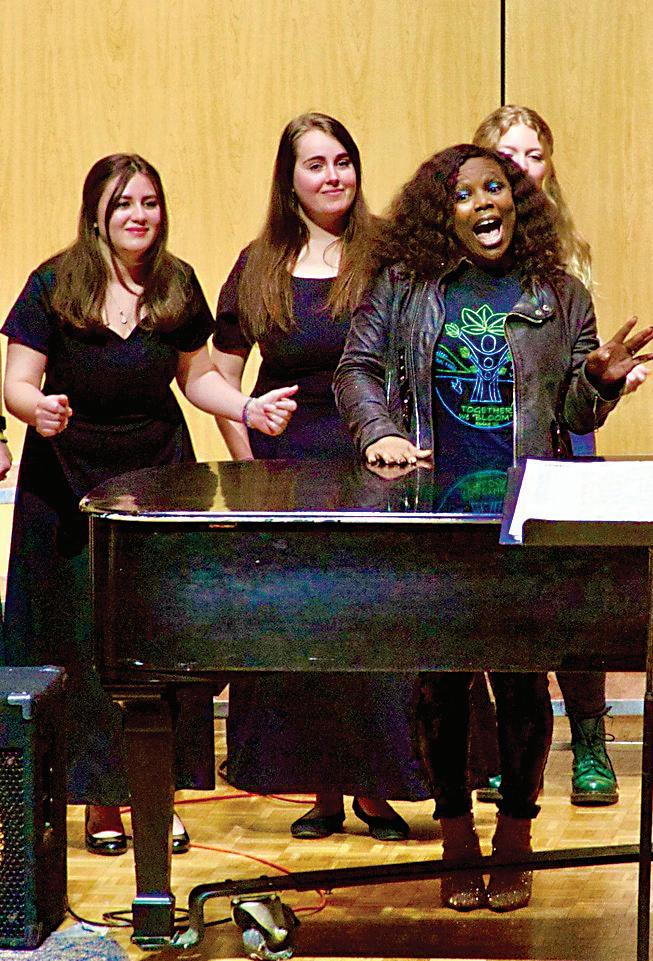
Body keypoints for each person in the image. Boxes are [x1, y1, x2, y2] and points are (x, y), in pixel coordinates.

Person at [334, 144, 653, 911]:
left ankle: (515, 835)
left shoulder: (559, 293)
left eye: (496, 187)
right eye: (465, 193)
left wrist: (598, 380)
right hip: (434, 516)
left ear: (516, 200)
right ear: (438, 214)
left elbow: (572, 411)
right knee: (441, 684)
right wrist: (378, 430)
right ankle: (455, 836)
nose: (485, 202)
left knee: (520, 682)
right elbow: (355, 369)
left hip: (522, 513)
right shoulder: (403, 286)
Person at [2, 153, 297, 856]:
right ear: (96, 215)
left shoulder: (175, 283)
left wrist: (247, 408)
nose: (139, 215)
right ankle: (100, 800)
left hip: (155, 480)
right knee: (81, 640)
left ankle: (155, 796)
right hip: (67, 484)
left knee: (156, 642)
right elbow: (16, 383)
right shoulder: (53, 283)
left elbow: (197, 378)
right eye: (124, 203)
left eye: (150, 202)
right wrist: (37, 409)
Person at [211, 112, 427, 841]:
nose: (333, 176)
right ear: (290, 179)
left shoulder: (388, 255)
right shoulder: (258, 263)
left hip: (374, 463)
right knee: (306, 629)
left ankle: (376, 788)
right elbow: (223, 378)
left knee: (372, 630)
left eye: (343, 161)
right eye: (316, 164)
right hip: (287, 470)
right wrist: (247, 465)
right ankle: (323, 790)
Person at [471, 104, 639, 806]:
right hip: (492, 440)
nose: (521, 167)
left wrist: (603, 378)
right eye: (506, 156)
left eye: (533, 155)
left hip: (564, 439)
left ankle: (590, 742)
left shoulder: (571, 253)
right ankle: (514, 744)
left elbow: (580, 360)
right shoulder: (459, 257)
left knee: (575, 598)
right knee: (502, 598)